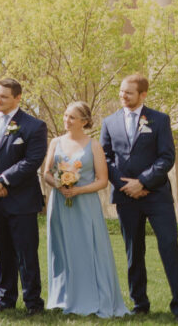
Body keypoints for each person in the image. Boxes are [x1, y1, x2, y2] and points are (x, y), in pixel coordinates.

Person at [101, 74, 178, 322]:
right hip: (126, 197)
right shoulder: (109, 122)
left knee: (170, 246)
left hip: (157, 195)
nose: (123, 96)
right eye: (121, 91)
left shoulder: (160, 119)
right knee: (133, 251)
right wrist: (126, 186)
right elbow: (105, 159)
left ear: (143, 95)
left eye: (129, 92)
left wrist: (144, 182)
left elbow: (166, 157)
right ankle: (139, 303)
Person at [43, 101, 128, 317]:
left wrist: (79, 191)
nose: (66, 120)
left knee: (88, 248)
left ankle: (94, 296)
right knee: (63, 249)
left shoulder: (94, 145)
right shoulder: (55, 142)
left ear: (84, 121)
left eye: (72, 117)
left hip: (85, 204)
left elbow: (102, 180)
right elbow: (46, 174)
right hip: (60, 203)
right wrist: (60, 185)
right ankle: (65, 297)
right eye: (65, 115)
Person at [0, 78, 47, 316]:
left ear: (17, 98)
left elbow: (32, 160)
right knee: (1, 252)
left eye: (3, 96)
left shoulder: (34, 126)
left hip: (21, 200)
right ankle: (6, 300)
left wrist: (3, 180)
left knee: (26, 253)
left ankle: (33, 302)